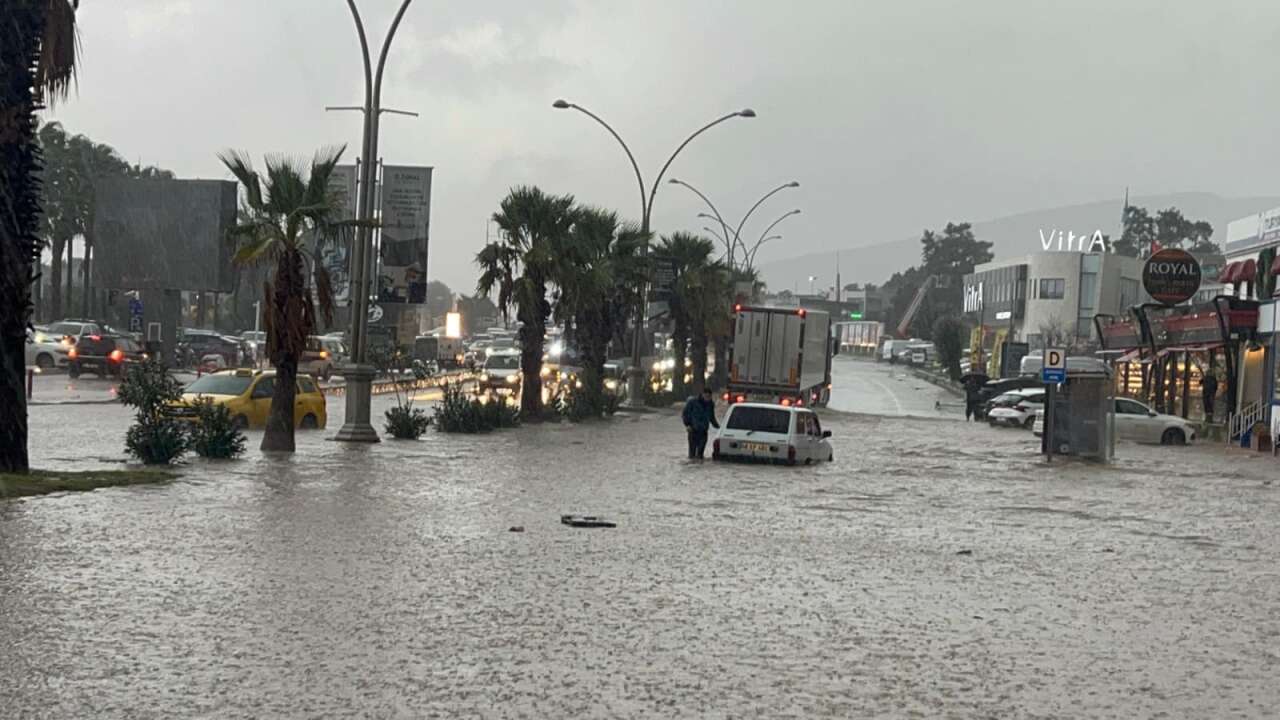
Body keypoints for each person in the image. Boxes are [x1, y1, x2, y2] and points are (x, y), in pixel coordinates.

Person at [681, 388, 721, 460]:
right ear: (702, 395)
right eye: (706, 396)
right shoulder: (692, 402)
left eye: (709, 397)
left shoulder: (711, 404)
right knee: (692, 454)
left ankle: (699, 463)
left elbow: (712, 417)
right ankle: (692, 464)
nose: (707, 398)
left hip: (703, 432)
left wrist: (719, 427)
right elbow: (685, 414)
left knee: (700, 454)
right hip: (693, 430)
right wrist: (687, 425)